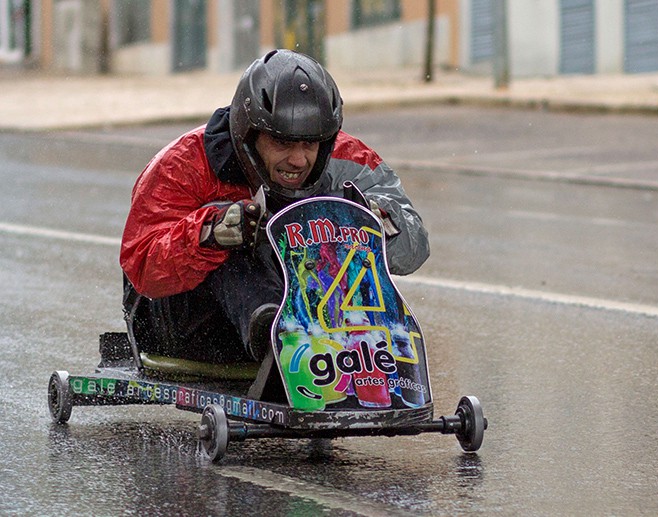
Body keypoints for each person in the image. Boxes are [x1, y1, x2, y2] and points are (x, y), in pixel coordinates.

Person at [120, 49, 429, 366]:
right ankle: (274, 331)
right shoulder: (182, 163)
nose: (298, 160)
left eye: (309, 144)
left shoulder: (350, 159)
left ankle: (360, 344)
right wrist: (210, 233)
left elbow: (414, 248)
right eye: (282, 143)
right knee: (238, 229)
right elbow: (142, 269)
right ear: (248, 134)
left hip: (314, 322)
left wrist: (378, 222)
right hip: (190, 328)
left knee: (341, 230)